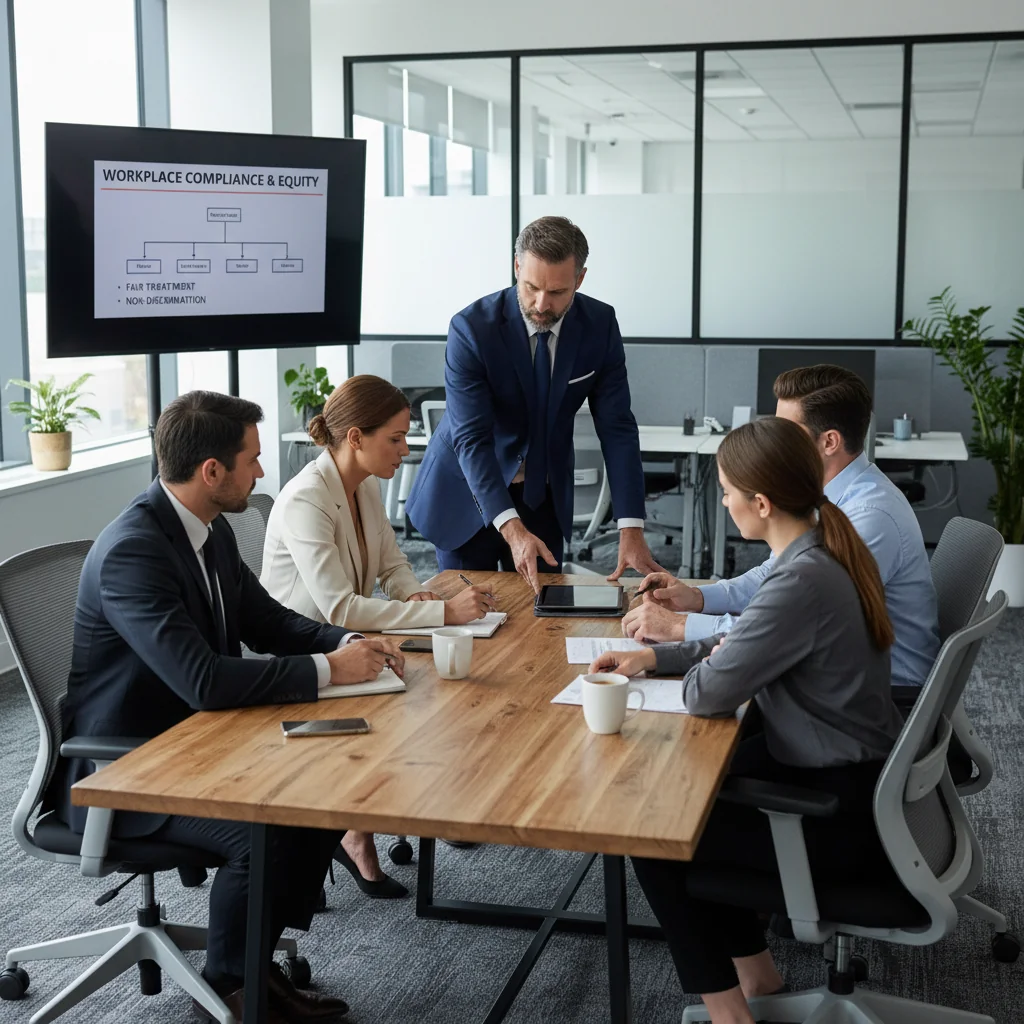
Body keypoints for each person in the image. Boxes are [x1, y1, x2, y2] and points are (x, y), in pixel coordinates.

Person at [51, 391, 405, 1024]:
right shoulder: (135, 551)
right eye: (252, 461)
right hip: (124, 772)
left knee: (324, 790)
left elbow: (269, 623)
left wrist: (347, 642)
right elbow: (204, 681)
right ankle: (231, 990)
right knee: (262, 828)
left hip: (196, 744)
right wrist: (330, 670)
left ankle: (253, 963)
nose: (262, 474)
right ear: (211, 472)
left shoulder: (205, 531)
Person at [590, 416, 905, 1024]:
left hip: (836, 817)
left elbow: (710, 691)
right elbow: (745, 643)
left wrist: (693, 665)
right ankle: (758, 977)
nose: (727, 504)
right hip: (849, 779)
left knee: (651, 833)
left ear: (761, 503)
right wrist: (654, 656)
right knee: (679, 798)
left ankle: (730, 1014)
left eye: (729, 494)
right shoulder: (819, 550)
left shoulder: (800, 581)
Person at [261, 374, 497, 897]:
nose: (406, 449)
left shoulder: (363, 485)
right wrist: (444, 616)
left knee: (450, 689)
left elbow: (393, 565)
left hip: (347, 639)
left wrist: (418, 596)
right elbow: (339, 606)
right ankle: (355, 832)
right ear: (355, 439)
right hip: (304, 655)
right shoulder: (307, 499)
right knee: (426, 688)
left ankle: (409, 810)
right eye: (395, 438)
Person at [622, 363, 940, 692]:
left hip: (878, 695)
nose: (775, 441)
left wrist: (681, 627)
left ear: (829, 442)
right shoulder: (827, 497)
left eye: (786, 432)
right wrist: (697, 598)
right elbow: (773, 577)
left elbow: (786, 626)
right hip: (828, 676)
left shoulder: (869, 517)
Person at [405, 215, 664, 592]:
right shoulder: (472, 329)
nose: (542, 304)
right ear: (516, 267)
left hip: (541, 495)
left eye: (557, 292)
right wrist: (510, 528)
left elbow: (618, 427)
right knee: (467, 618)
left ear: (580, 279)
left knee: (542, 617)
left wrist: (631, 526)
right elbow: (471, 439)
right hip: (468, 492)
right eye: (530, 287)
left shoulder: (600, 325)